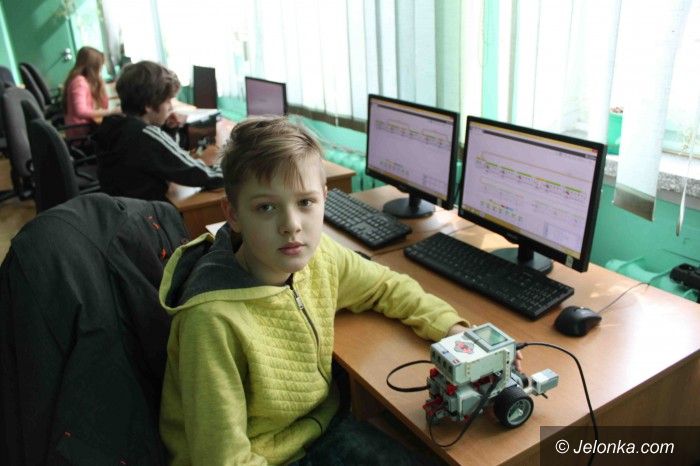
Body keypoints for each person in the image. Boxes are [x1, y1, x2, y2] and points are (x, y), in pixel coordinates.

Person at [158, 116, 471, 465]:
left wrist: (454, 331)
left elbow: (385, 285)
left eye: (305, 202)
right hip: (267, 455)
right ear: (233, 214)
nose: (291, 225)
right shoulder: (210, 322)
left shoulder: (319, 256)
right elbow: (223, 459)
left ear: (324, 197)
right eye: (266, 207)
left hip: (321, 425)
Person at [94, 60, 223, 202]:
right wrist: (235, 173)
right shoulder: (144, 135)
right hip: (148, 211)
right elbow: (197, 174)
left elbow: (164, 160)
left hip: (122, 208)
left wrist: (170, 130)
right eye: (167, 101)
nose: (170, 107)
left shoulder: (115, 124)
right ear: (149, 105)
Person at [62, 46, 120, 134]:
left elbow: (103, 104)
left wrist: (100, 84)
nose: (100, 70)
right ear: (93, 67)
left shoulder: (80, 79)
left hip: (85, 128)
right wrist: (111, 112)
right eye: (100, 67)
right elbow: (81, 112)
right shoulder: (79, 82)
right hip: (82, 132)